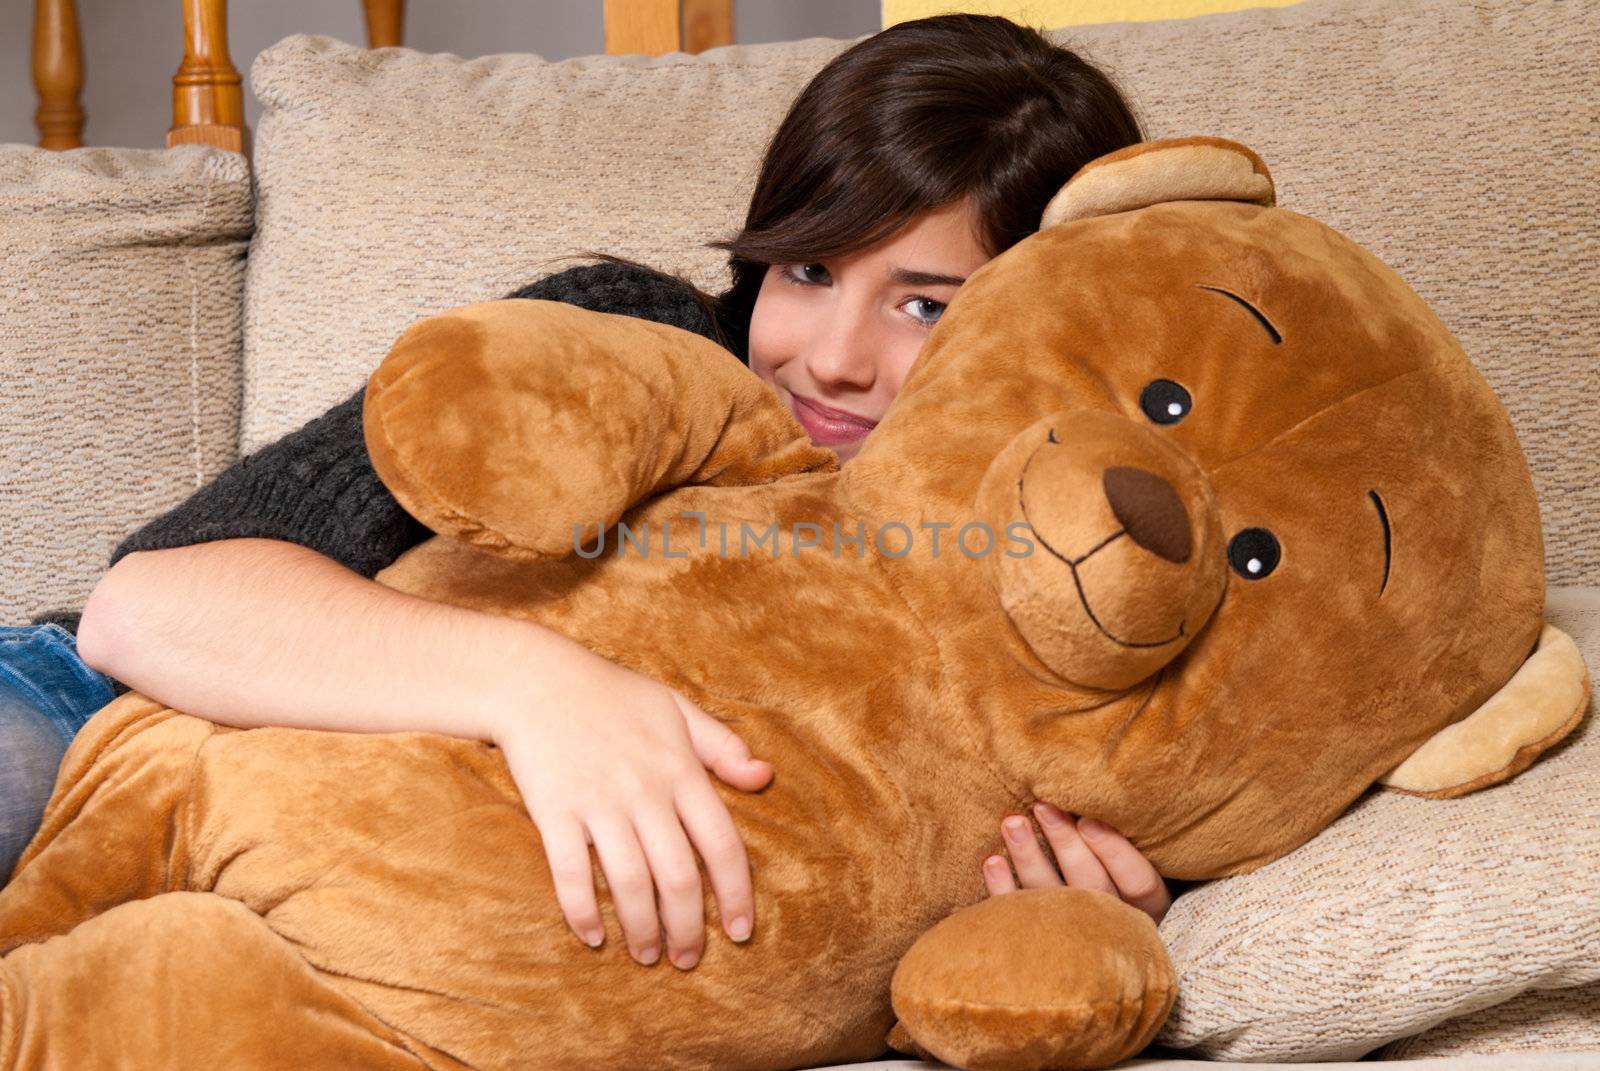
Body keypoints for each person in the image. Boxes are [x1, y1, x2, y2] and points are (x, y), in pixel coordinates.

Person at [2, 13, 1173, 972]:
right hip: (86, 716)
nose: (831, 357)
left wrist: (1088, 897)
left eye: (926, 305)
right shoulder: (635, 346)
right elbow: (143, 610)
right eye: (809, 270)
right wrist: (541, 685)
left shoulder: (1077, 562)